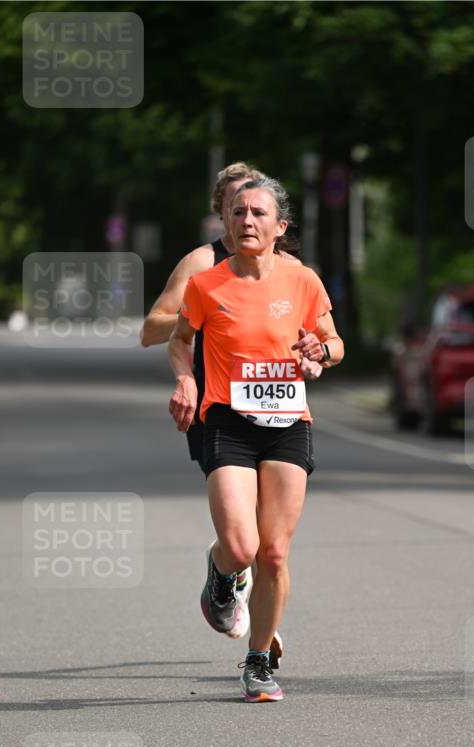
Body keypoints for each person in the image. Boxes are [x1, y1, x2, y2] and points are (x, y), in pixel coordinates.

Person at [167, 176, 344, 701]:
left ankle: (259, 661)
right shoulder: (207, 285)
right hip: (228, 421)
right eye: (238, 213)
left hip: (289, 422)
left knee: (272, 555)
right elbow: (180, 341)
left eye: (259, 214)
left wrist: (320, 354)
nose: (248, 221)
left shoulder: (303, 280)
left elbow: (334, 344)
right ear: (226, 223)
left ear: (280, 226)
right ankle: (221, 574)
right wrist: (185, 377)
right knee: (241, 547)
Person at [141, 162, 286, 653]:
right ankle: (230, 582)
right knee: (240, 525)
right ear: (222, 212)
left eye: (254, 205)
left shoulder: (278, 260)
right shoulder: (201, 265)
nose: (245, 215)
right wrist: (203, 310)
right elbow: (152, 328)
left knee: (273, 533)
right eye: (234, 205)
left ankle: (254, 606)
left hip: (276, 406)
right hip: (213, 404)